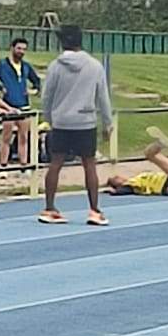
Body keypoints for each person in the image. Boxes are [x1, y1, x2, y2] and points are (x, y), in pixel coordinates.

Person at [38, 24, 115, 226]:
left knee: (55, 163)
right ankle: (94, 210)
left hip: (61, 120)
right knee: (89, 165)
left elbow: (46, 96)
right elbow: (103, 97)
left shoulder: (55, 66)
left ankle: (49, 207)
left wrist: (50, 118)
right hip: (85, 120)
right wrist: (108, 123)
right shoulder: (95, 66)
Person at [0, 37, 42, 166]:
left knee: (23, 137)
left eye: (24, 49)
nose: (21, 51)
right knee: (6, 137)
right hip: (8, 105)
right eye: (19, 48)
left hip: (24, 105)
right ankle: (3, 165)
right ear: (12, 48)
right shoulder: (2, 65)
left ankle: (23, 165)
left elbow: (36, 80)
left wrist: (33, 90)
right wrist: (0, 88)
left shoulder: (26, 66)